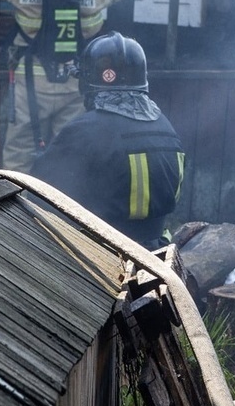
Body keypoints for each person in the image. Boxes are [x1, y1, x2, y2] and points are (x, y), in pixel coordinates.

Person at [31, 32, 186, 249]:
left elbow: (38, 191)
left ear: (87, 82)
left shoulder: (84, 130)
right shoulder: (165, 127)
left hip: (103, 253)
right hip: (158, 250)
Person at [0, 0, 135, 170]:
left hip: (29, 82)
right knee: (72, 156)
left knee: (18, 155)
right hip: (75, 81)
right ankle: (63, 205)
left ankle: (17, 203)